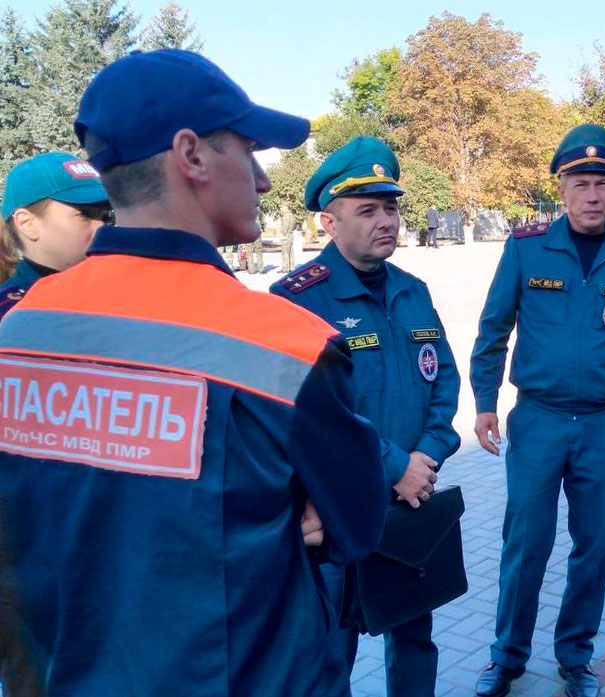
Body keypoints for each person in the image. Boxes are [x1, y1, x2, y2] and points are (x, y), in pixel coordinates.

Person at [0, 48, 387, 697]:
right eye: (250, 151)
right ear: (192, 156)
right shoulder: (285, 345)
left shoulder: (17, 331)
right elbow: (357, 522)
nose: (263, 181)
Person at [471, 123, 605, 697]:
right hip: (539, 419)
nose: (592, 195)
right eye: (580, 184)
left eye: (601, 183)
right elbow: (493, 329)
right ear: (561, 190)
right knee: (525, 544)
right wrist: (485, 402)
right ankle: (507, 657)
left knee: (594, 547)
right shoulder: (527, 247)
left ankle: (576, 657)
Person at [272, 136, 460, 697]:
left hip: (410, 501)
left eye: (391, 208)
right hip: (333, 511)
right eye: (368, 210)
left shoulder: (412, 291)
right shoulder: (297, 299)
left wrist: (425, 458)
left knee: (414, 634)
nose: (386, 221)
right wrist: (395, 465)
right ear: (329, 223)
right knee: (332, 650)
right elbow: (307, 413)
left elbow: (444, 382)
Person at [0, 152, 112, 318]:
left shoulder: (120, 288)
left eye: (107, 215)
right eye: (85, 214)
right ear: (27, 224)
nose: (103, 227)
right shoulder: (11, 315)